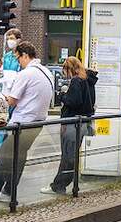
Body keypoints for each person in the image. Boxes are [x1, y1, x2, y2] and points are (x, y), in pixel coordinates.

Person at [0, 42, 54, 207]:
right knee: (19, 157)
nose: (18, 63)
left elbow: (11, 101)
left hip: (21, 123)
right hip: (37, 123)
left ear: (25, 55)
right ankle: (8, 192)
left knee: (4, 157)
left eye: (18, 58)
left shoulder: (26, 74)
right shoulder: (46, 72)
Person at [41, 57, 98, 196]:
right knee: (72, 155)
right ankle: (65, 183)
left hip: (72, 123)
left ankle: (58, 186)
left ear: (69, 69)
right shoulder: (88, 80)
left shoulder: (76, 81)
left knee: (67, 156)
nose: (64, 74)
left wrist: (62, 96)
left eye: (65, 70)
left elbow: (74, 101)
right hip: (83, 122)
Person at [0, 28, 23, 93]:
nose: (9, 41)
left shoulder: (22, 55)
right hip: (6, 88)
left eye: (12, 38)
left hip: (17, 86)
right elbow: (3, 72)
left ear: (18, 40)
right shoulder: (6, 56)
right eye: (8, 39)